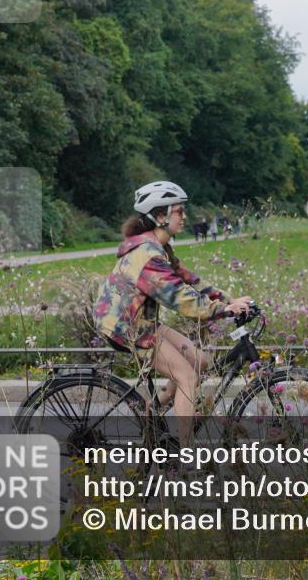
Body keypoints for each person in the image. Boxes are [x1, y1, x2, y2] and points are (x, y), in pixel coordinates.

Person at [93, 181, 253, 450]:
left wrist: (229, 300)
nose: (185, 216)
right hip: (125, 328)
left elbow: (188, 280)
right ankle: (187, 455)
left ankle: (152, 410)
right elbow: (180, 298)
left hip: (142, 323)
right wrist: (221, 311)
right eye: (179, 211)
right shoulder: (148, 256)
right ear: (160, 216)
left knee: (200, 362)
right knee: (187, 378)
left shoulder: (160, 248)